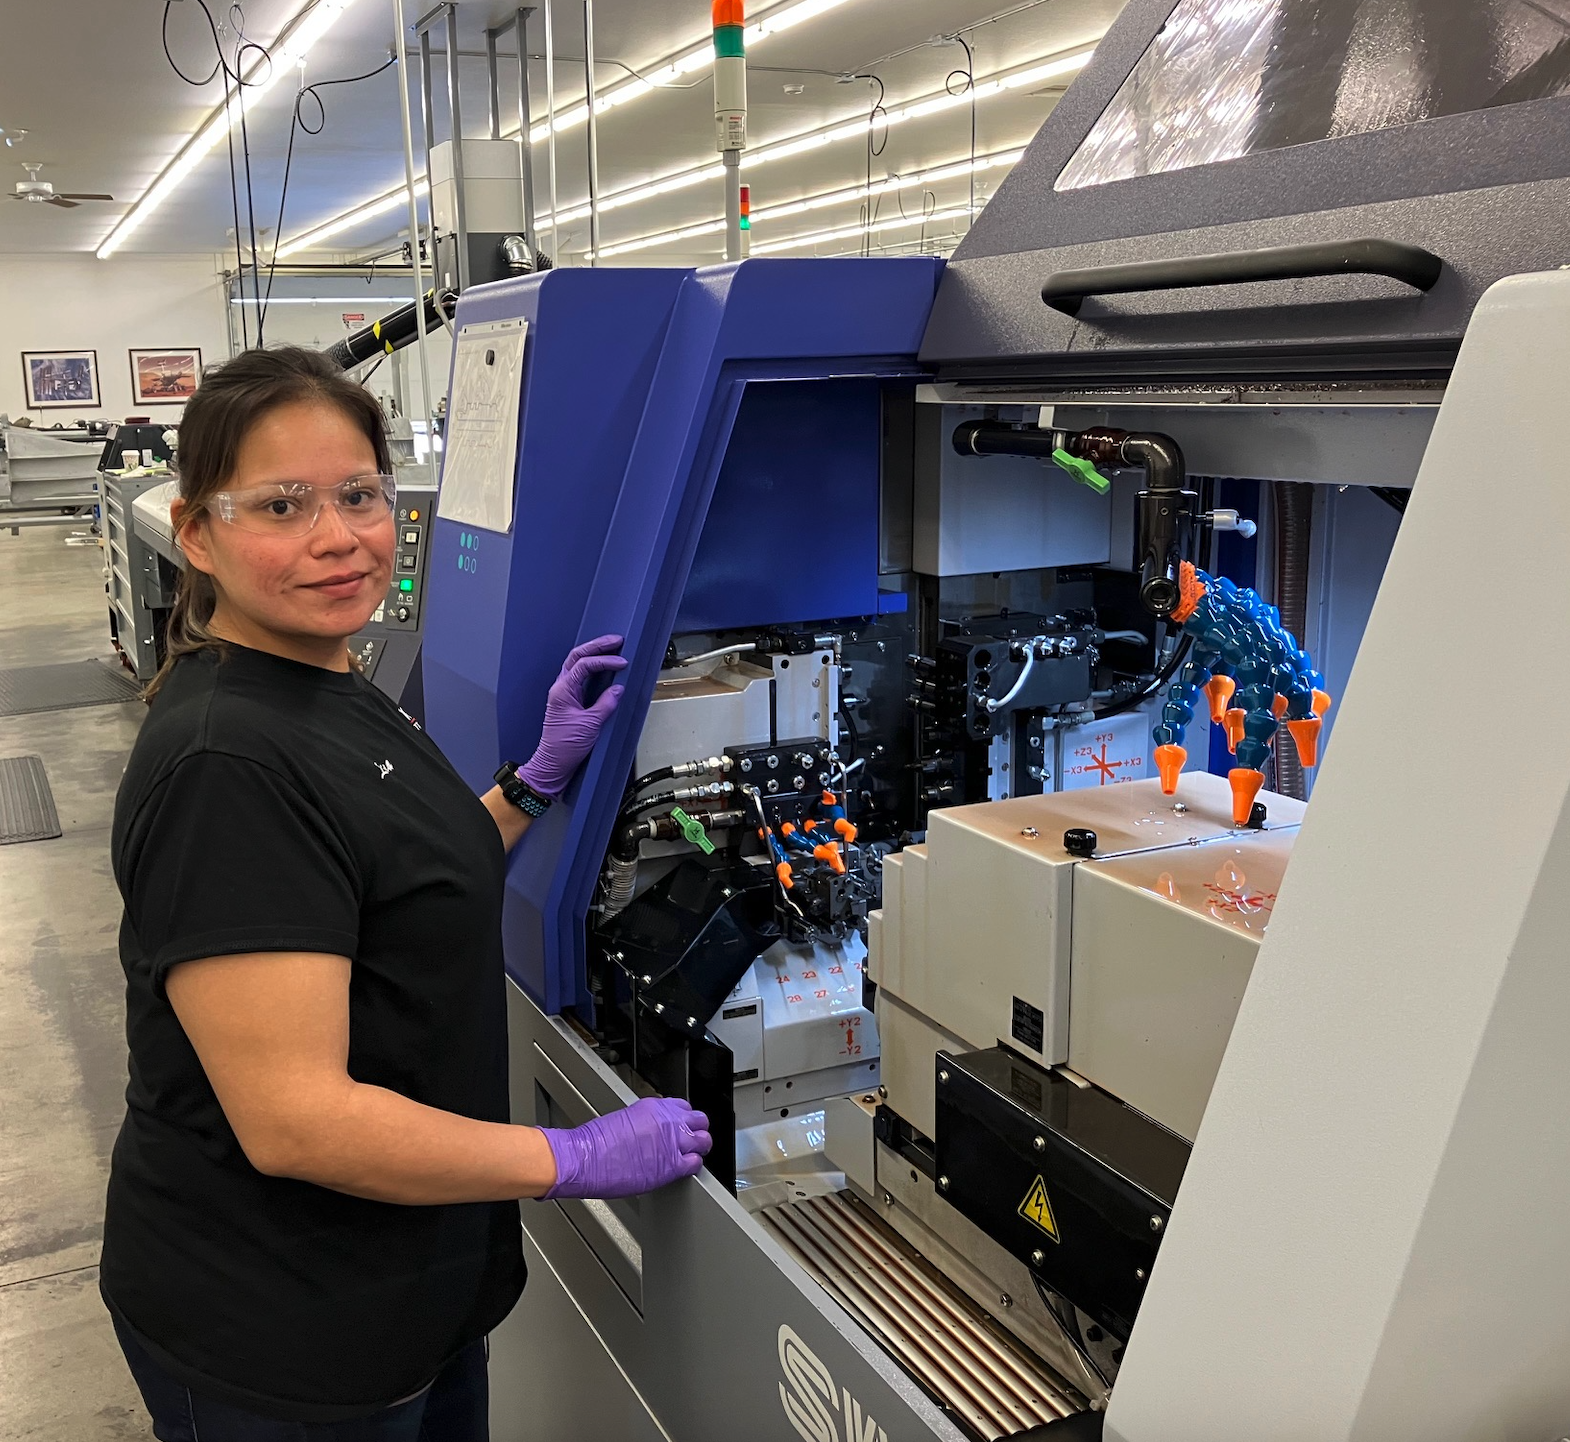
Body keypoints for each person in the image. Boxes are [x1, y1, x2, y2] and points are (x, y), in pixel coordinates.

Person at [103, 345, 710, 1441]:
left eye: (360, 495)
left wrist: (535, 778)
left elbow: (389, 870)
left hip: (412, 1290)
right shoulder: (222, 766)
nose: (337, 537)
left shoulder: (329, 674)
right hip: (283, 1337)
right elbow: (297, 1121)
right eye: (282, 505)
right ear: (197, 531)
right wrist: (570, 1158)